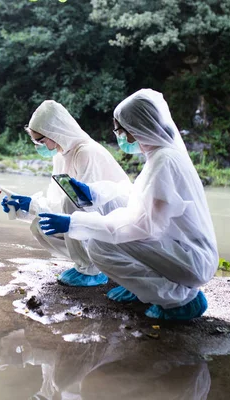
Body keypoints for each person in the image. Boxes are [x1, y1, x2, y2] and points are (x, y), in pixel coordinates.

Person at [37, 89, 218, 320]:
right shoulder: (162, 156)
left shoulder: (164, 161)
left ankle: (180, 300)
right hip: (185, 252)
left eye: (120, 130)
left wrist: (75, 222)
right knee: (103, 236)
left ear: (135, 130)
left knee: (99, 246)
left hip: (192, 261)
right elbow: (135, 196)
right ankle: (145, 289)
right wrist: (93, 192)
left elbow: (141, 226)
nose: (120, 136)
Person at [1, 100, 130, 287]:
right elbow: (55, 206)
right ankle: (84, 264)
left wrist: (34, 205)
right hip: (93, 219)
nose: (38, 145)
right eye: (35, 140)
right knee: (40, 224)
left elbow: (84, 203)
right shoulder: (60, 156)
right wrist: (25, 207)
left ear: (55, 133)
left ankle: (93, 269)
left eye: (40, 140)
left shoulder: (85, 151)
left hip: (119, 224)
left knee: (73, 199)